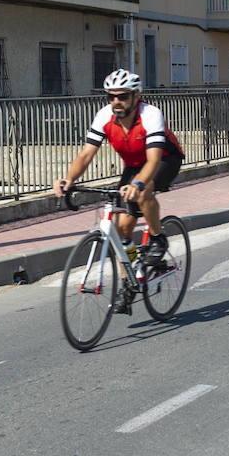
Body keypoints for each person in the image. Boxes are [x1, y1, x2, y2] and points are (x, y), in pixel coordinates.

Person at [54, 70, 185, 307]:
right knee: (122, 229)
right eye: (111, 97)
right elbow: (85, 154)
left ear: (136, 96)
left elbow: (153, 161)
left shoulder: (150, 114)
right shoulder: (104, 116)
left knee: (144, 189)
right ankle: (130, 281)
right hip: (134, 165)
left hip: (165, 159)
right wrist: (68, 180)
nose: (116, 102)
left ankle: (158, 238)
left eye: (122, 96)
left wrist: (137, 184)